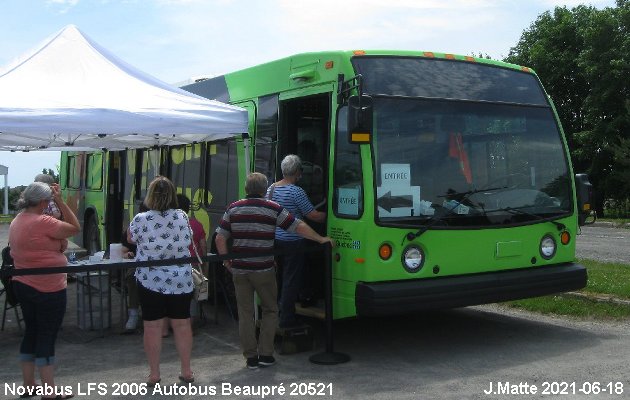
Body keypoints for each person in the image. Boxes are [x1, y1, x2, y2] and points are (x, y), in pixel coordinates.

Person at [215, 172, 333, 370]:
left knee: (245, 314)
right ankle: (266, 355)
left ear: (246, 188)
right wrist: (321, 239)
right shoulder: (272, 208)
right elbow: (298, 226)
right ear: (263, 189)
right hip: (264, 269)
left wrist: (227, 261)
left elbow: (220, 238)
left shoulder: (233, 208)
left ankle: (250, 358)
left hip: (240, 270)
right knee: (270, 310)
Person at [9, 182, 80, 399]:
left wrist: (57, 245)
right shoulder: (43, 221)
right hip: (48, 286)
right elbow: (75, 227)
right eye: (49, 200)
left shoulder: (17, 221)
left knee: (31, 332)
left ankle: (29, 384)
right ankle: (49, 390)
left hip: (23, 282)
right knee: (47, 335)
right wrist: (60, 200)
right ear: (43, 201)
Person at [127, 176, 194, 385]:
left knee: (152, 327)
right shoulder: (182, 215)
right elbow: (189, 238)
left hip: (150, 279)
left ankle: (154, 374)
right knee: (182, 324)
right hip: (180, 279)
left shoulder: (141, 218)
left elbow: (130, 238)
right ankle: (186, 370)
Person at [267, 154, 326, 328]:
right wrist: (331, 215)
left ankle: (276, 313)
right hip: (294, 241)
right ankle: (287, 318)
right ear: (298, 172)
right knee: (291, 280)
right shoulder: (296, 191)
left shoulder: (271, 189)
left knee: (279, 278)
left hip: (276, 240)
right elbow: (312, 215)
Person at [176, 194, 207, 327]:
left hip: (175, 265)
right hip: (193, 265)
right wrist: (204, 265)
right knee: (192, 294)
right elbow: (203, 247)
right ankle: (191, 323)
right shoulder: (196, 224)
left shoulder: (170, 225)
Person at [120, 203, 149, 332]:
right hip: (138, 263)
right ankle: (133, 314)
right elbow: (123, 251)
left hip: (157, 265)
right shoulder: (133, 228)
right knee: (132, 277)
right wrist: (127, 254)